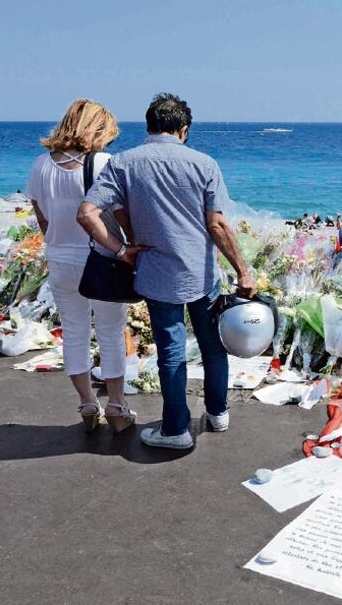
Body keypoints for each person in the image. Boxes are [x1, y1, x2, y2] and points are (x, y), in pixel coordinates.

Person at [78, 93, 255, 450]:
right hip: (202, 275)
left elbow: (86, 214)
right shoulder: (204, 164)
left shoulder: (124, 163)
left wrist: (121, 250)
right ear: (183, 130)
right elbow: (217, 225)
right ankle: (218, 413)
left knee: (171, 353)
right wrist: (243, 272)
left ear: (148, 127)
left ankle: (176, 430)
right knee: (212, 346)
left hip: (157, 274)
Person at [26, 99, 134, 432]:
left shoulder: (41, 165)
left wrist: (60, 243)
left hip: (60, 259)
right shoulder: (104, 162)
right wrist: (129, 247)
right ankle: (116, 408)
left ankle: (88, 405)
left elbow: (42, 218)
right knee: (111, 334)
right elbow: (119, 212)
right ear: (99, 129)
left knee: (74, 333)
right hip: (101, 258)